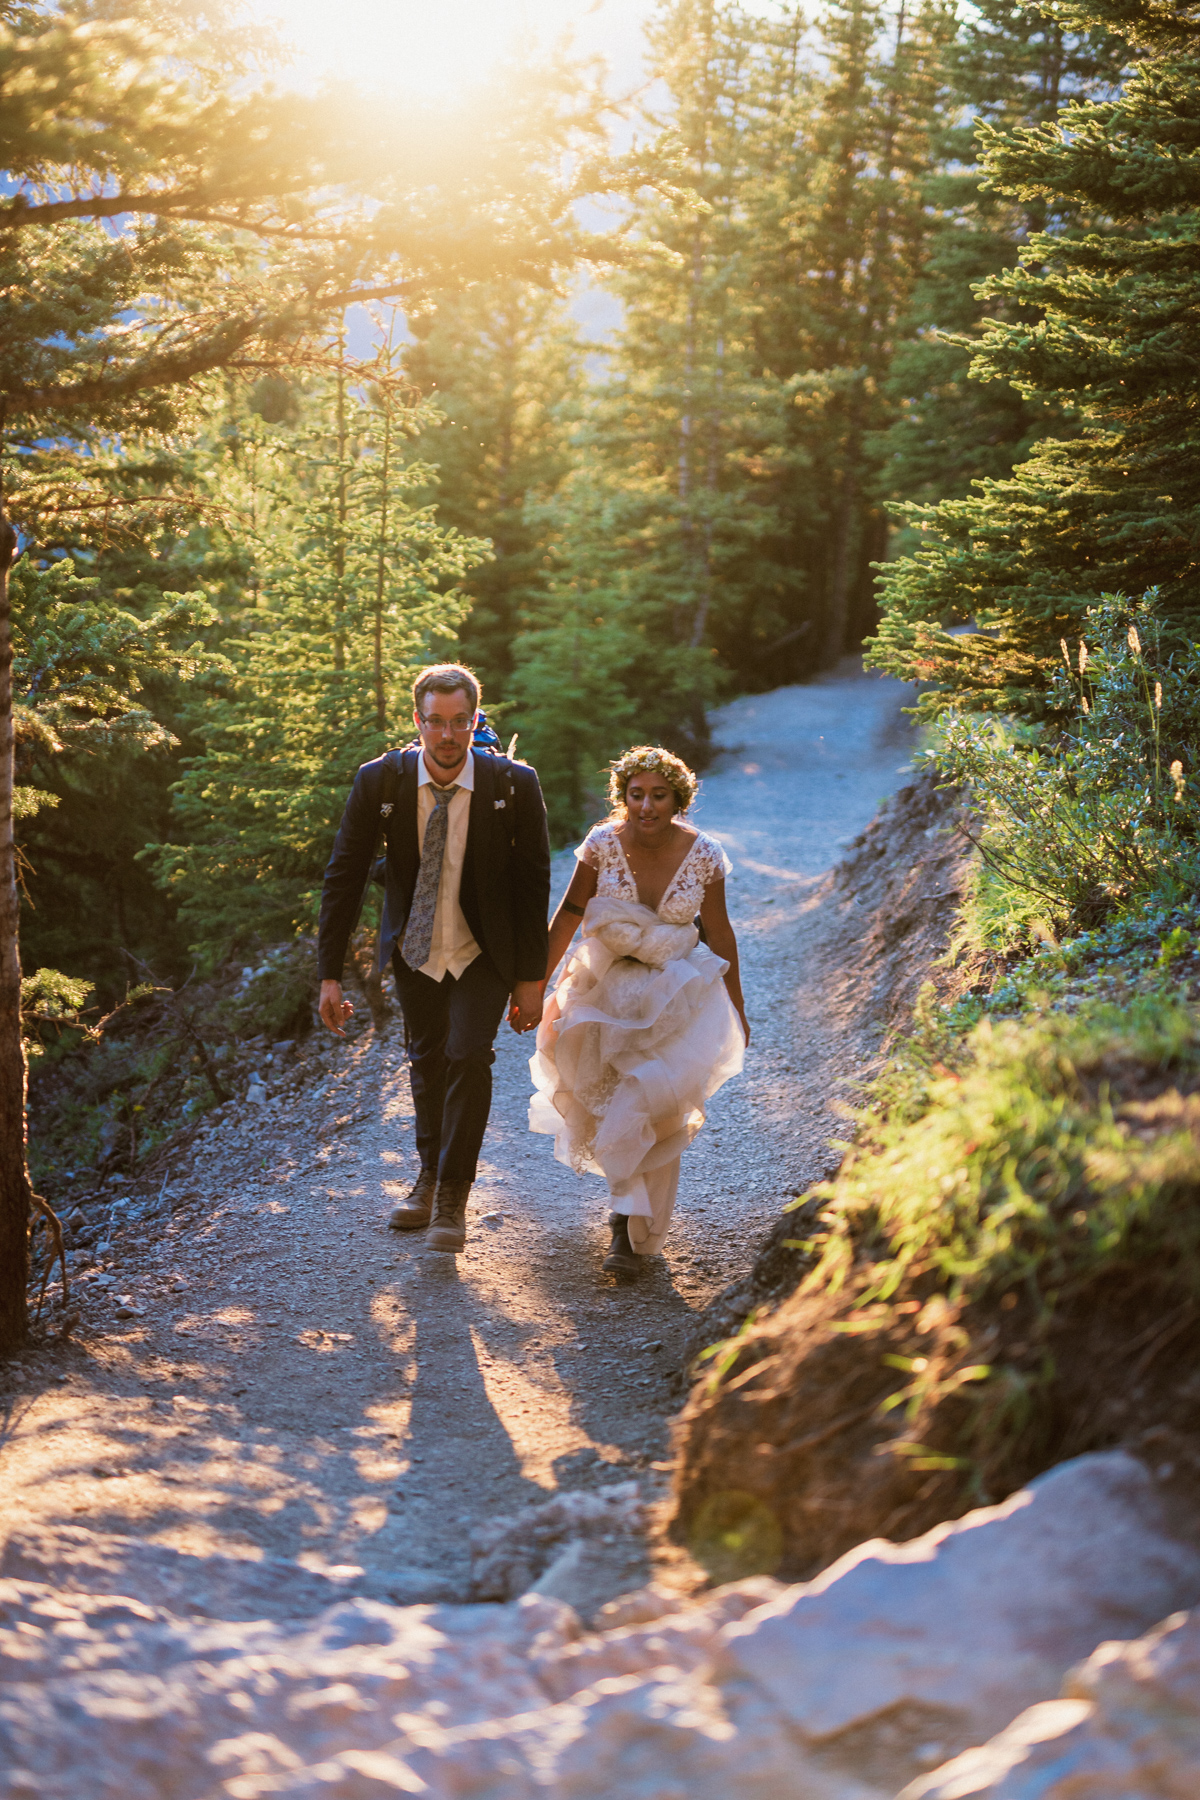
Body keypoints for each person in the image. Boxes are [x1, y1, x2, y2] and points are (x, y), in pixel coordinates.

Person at [316, 663, 550, 1253]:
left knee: (467, 1054)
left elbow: (533, 886)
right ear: (417, 721)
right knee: (425, 1059)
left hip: (483, 948)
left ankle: (451, 1196)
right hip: (415, 946)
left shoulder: (513, 785)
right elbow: (343, 876)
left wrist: (531, 980)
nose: (447, 737)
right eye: (435, 723)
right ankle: (427, 1174)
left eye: (459, 723)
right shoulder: (382, 782)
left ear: (475, 720)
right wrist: (328, 975)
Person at [529, 746, 749, 1277]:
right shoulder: (601, 846)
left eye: (659, 795)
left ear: (679, 799)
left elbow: (718, 932)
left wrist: (737, 1006)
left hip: (678, 996)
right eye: (636, 795)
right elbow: (569, 915)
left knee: (654, 1105)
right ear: (621, 796)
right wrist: (533, 987)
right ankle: (623, 1217)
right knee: (608, 1107)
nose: (647, 806)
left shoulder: (704, 854)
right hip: (602, 992)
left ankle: (629, 1229)